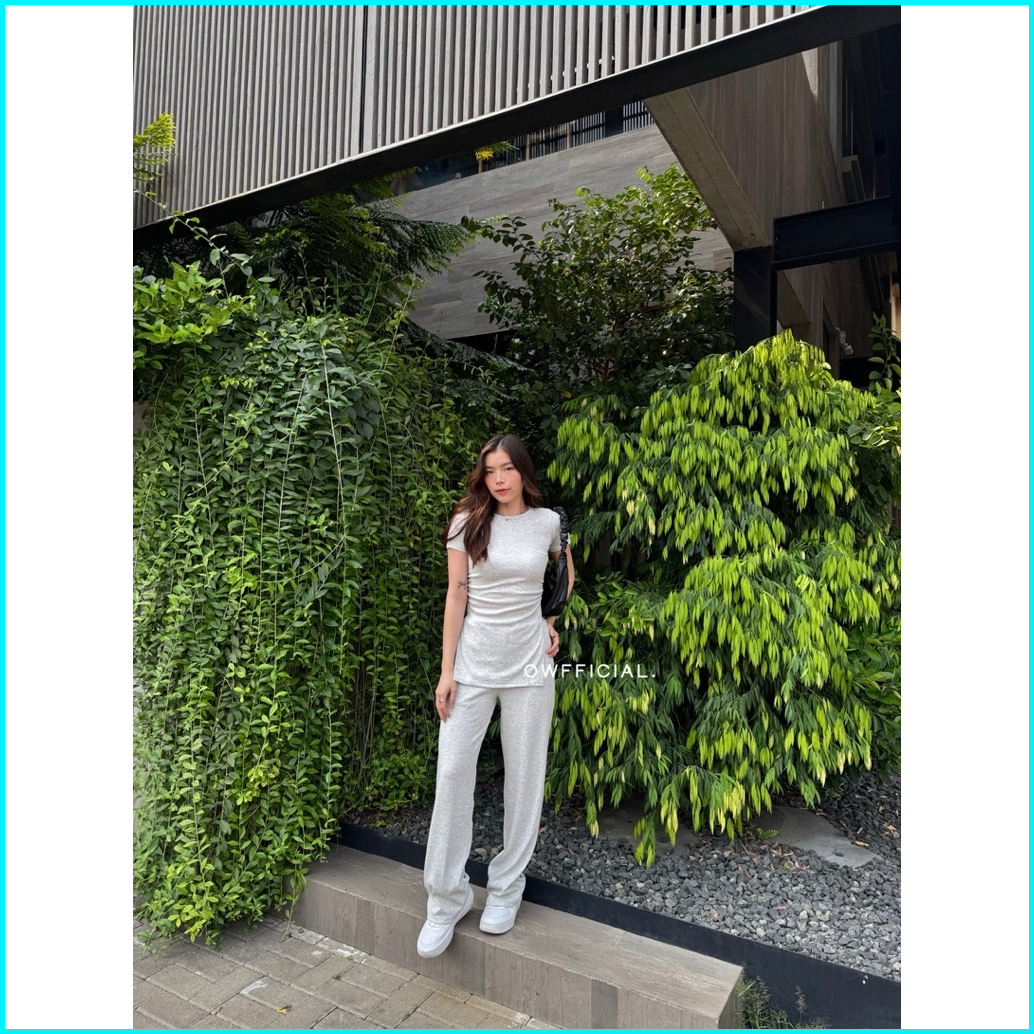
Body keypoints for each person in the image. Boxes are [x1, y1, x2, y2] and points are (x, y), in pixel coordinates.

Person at [416, 433, 574, 959]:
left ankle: (506, 888)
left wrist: (548, 618)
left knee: (525, 775)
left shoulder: (548, 522)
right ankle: (447, 897)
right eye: (490, 470)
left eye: (507, 468)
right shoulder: (468, 519)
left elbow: (564, 575)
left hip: (529, 664)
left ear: (523, 471)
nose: (499, 479)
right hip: (473, 664)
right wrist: (447, 670)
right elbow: (455, 594)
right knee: (452, 772)